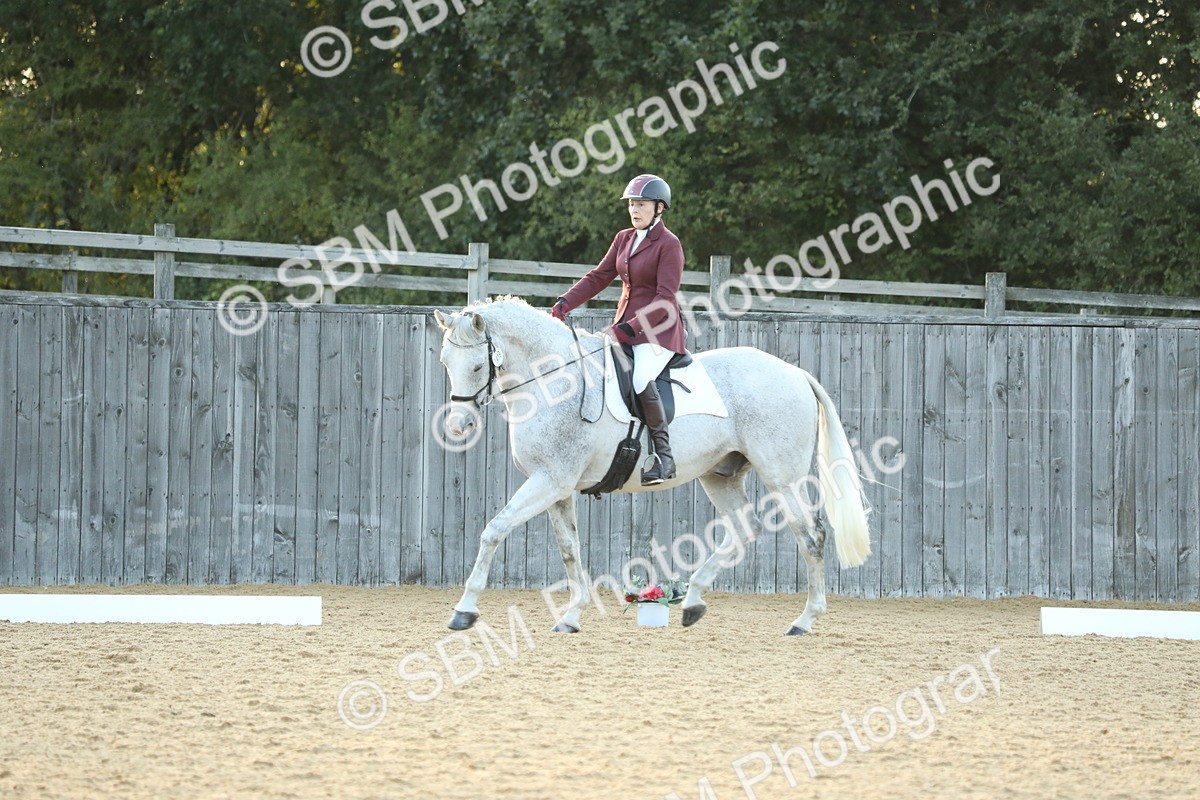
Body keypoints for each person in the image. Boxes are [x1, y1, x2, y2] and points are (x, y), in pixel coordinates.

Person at [551, 174, 687, 485]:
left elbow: (665, 300)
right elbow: (599, 277)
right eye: (631, 205)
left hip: (658, 331)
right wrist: (565, 303)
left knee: (640, 377)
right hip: (624, 327)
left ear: (659, 208)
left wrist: (628, 330)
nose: (635, 210)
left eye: (641, 205)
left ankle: (664, 458)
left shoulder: (669, 244)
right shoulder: (624, 238)